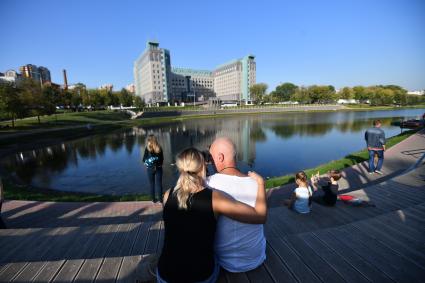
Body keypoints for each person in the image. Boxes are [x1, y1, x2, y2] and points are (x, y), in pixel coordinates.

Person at [157, 148, 266, 283]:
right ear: (203, 166)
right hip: (200, 276)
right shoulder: (214, 198)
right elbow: (260, 217)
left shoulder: (167, 195)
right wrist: (260, 183)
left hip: (165, 274)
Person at [206, 137, 266, 273]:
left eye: (210, 157)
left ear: (220, 157)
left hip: (224, 261)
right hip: (256, 257)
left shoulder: (208, 184)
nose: (210, 162)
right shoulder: (256, 183)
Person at [142, 134, 164, 203]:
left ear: (149, 141)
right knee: (159, 184)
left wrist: (147, 164)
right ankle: (160, 199)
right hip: (158, 168)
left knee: (152, 184)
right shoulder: (159, 148)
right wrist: (159, 164)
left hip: (150, 169)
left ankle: (153, 199)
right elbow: (162, 159)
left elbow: (143, 160)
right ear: (155, 140)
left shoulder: (147, 148)